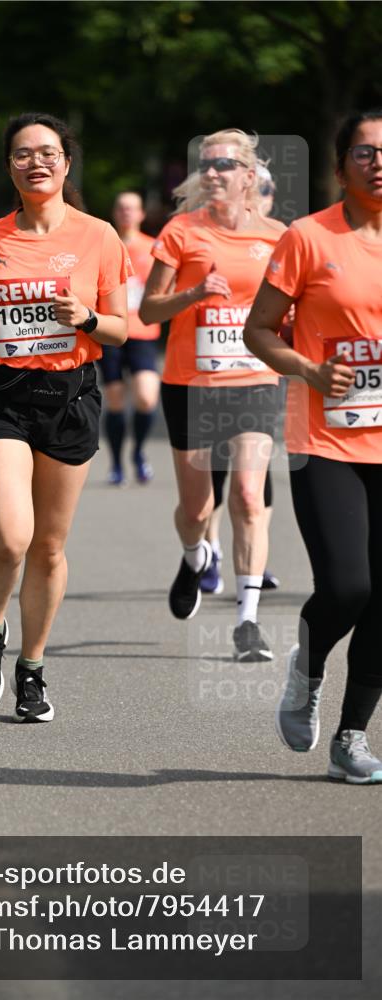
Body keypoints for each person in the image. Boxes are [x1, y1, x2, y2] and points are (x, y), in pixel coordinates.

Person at [0, 111, 129, 722]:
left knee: (49, 548)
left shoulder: (99, 236)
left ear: (66, 162)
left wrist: (82, 316)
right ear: (10, 168)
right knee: (10, 537)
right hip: (2, 394)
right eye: (23, 154)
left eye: (47, 152)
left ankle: (32, 667)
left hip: (70, 398)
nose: (37, 162)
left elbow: (121, 330)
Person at [244, 109, 382, 783]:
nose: (377, 162)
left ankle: (351, 737)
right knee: (348, 586)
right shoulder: (306, 238)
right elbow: (259, 330)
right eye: (364, 152)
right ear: (340, 167)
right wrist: (308, 369)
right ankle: (307, 668)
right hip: (325, 438)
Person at [139, 129, 286, 661]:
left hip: (254, 380)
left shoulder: (278, 236)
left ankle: (247, 622)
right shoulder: (182, 232)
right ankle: (194, 554)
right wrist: (195, 294)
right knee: (198, 507)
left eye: (224, 163)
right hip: (192, 384)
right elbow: (149, 312)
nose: (212, 172)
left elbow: (293, 311)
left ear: (250, 175)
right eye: (206, 164)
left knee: (249, 496)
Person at [201, 163, 282, 595]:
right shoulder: (202, 233)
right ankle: (210, 545)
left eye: (269, 188)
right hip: (210, 375)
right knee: (214, 474)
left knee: (253, 481)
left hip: (258, 372)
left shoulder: (278, 237)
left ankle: (255, 559)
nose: (262, 195)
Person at [98, 192, 161, 485]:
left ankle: (137, 451)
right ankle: (116, 463)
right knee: (114, 400)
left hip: (142, 332)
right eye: (121, 208)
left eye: (131, 208)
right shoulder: (102, 245)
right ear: (115, 212)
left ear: (140, 214)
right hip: (110, 332)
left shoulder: (153, 248)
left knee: (147, 397)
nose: (126, 213)